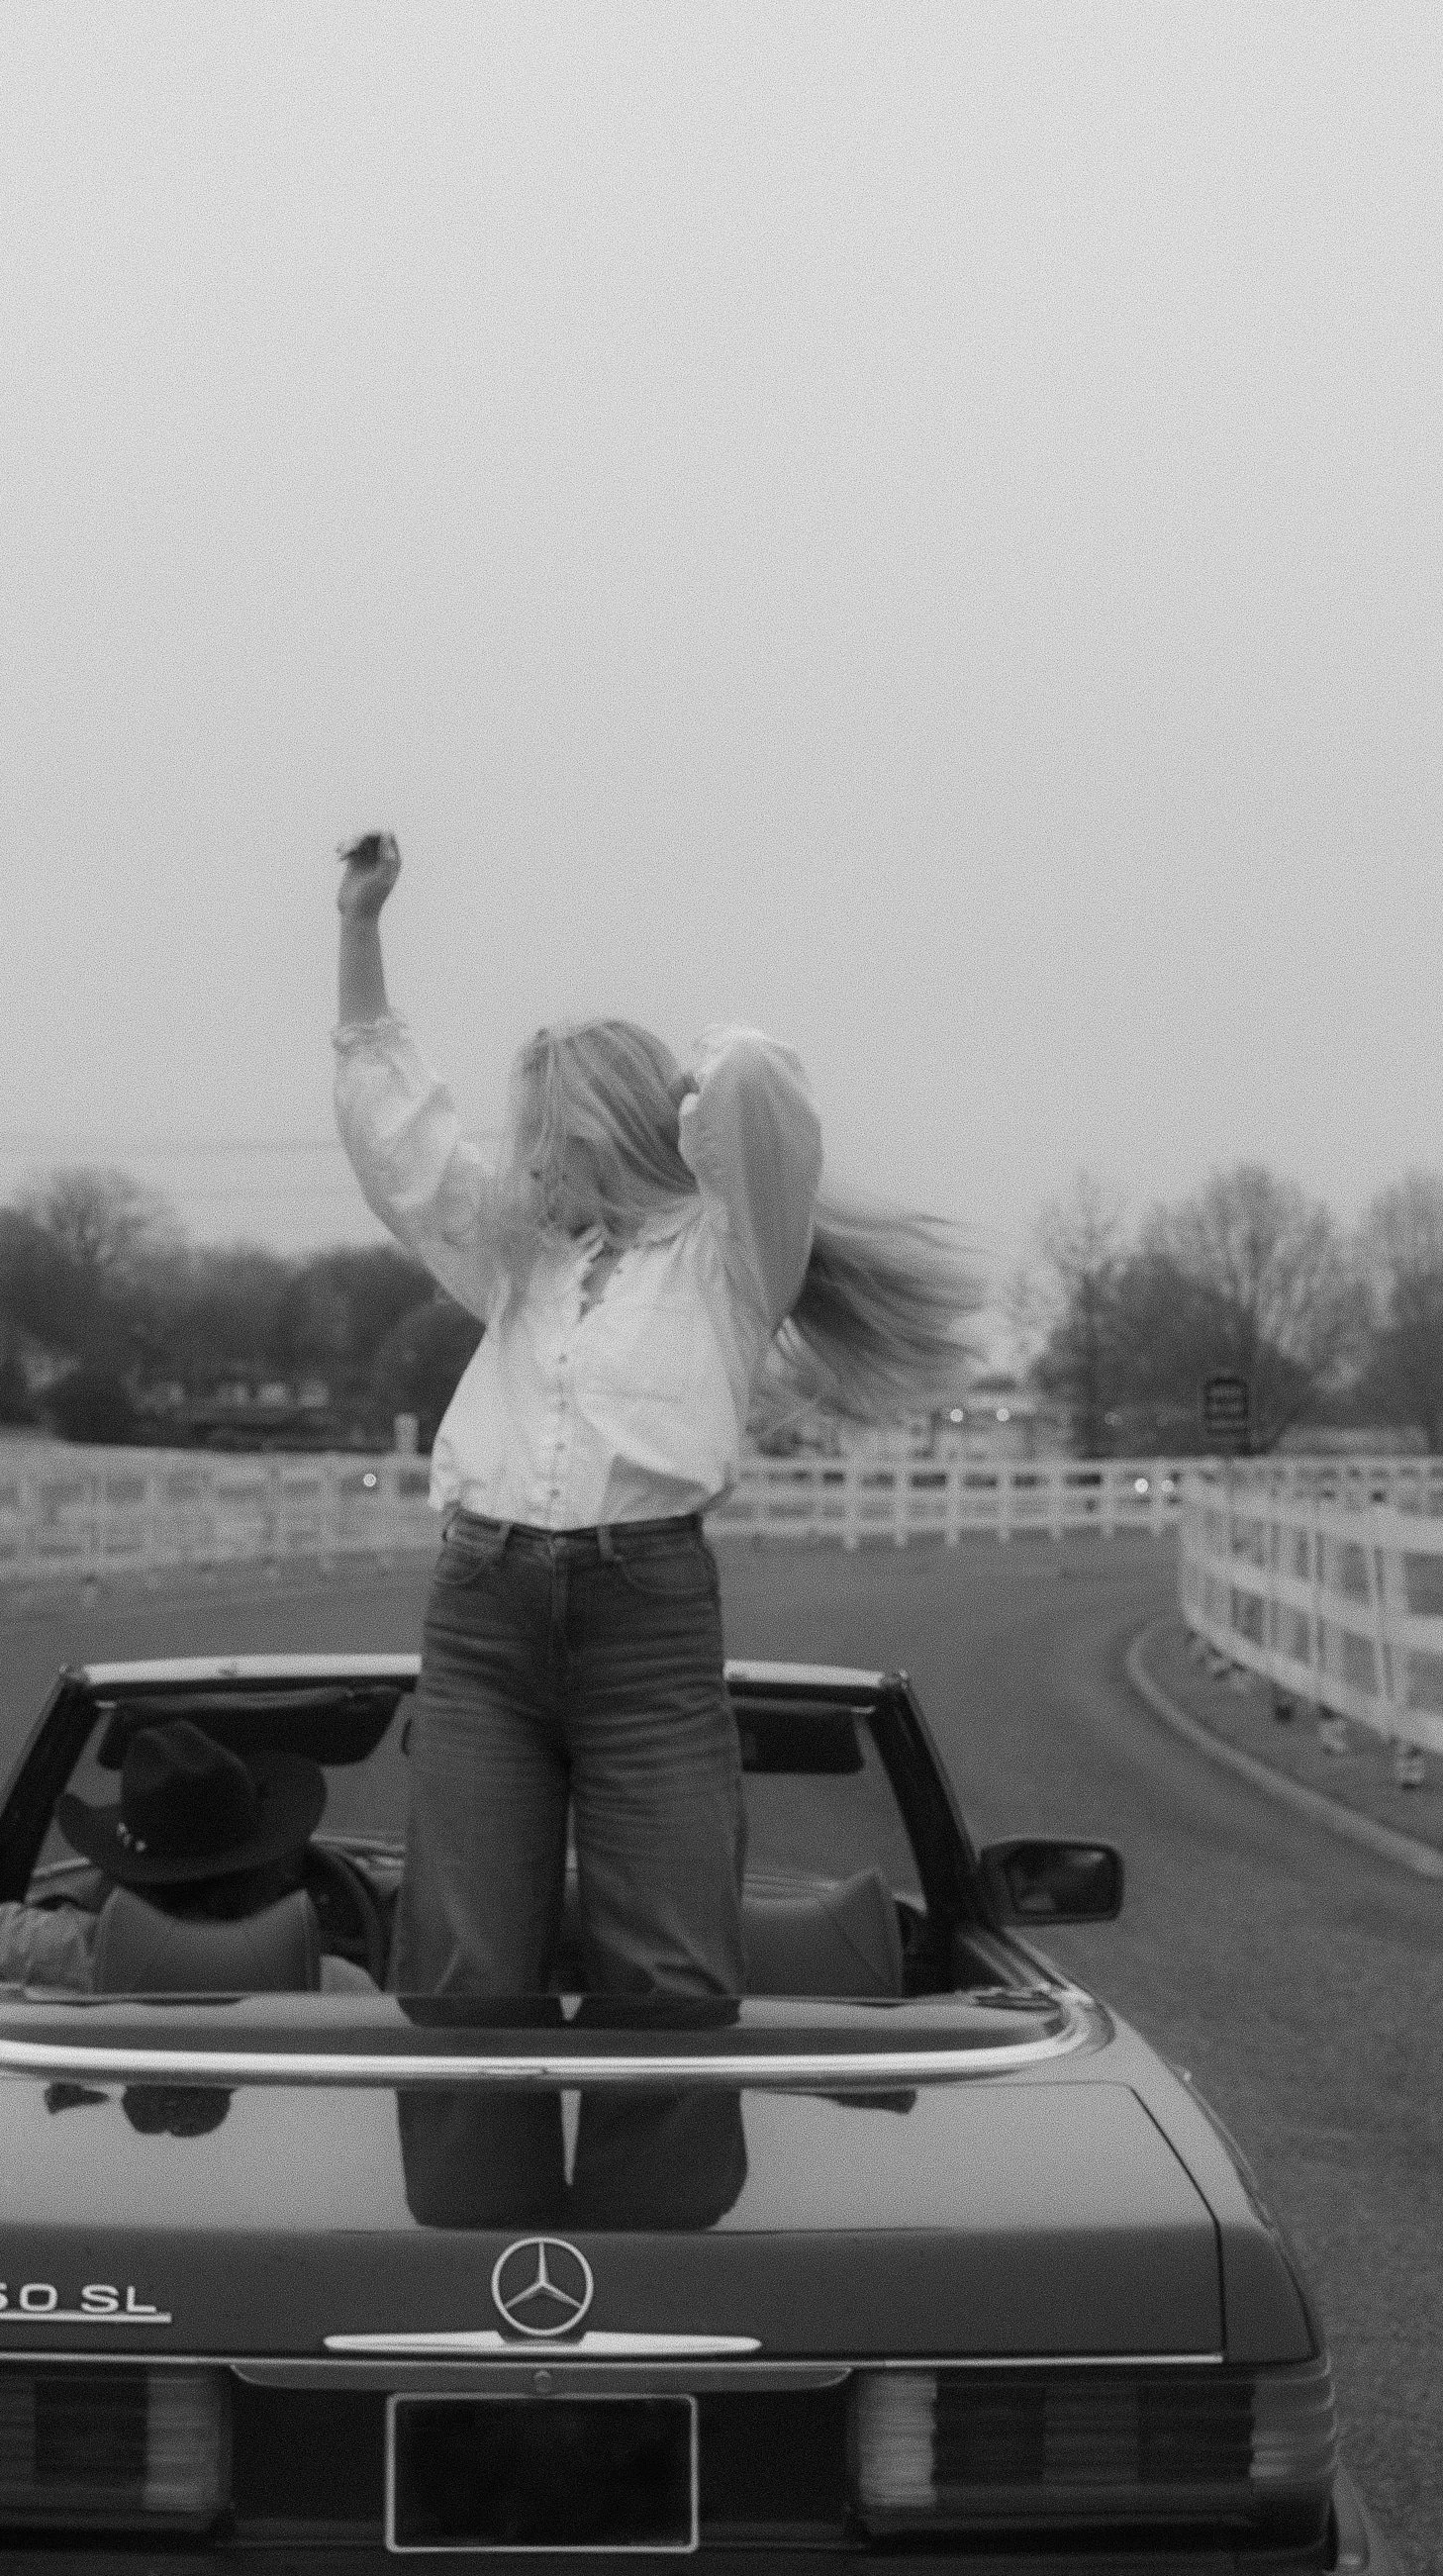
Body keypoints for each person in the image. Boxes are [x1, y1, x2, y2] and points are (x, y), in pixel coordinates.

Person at [332, 827, 971, 2009]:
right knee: (464, 1974)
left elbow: (755, 1090)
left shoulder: (731, 1251)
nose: (522, 1153)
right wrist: (360, 926)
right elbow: (397, 1137)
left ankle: (652, 2196)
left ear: (606, 1124)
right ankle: (482, 2197)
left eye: (545, 1126)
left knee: (670, 1974)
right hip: (479, 1609)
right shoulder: (512, 1259)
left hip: (646, 1618)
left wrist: (672, 1081)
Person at [0, 1718, 379, 1994]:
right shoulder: (333, 1984)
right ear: (270, 1868)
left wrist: (68, 1907)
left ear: (123, 1876)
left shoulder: (68, 1953)